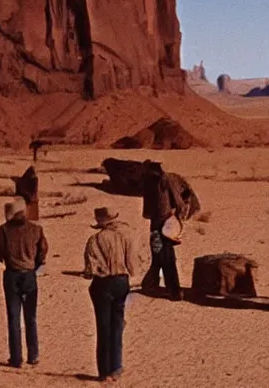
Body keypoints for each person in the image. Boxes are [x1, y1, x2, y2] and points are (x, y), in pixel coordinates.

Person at [0, 196, 49, 368]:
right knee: (31, 317)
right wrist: (34, 264)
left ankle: (16, 358)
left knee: (13, 317)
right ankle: (34, 355)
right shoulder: (36, 229)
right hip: (29, 274)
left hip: (11, 275)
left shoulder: (3, 230)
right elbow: (43, 252)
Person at [84, 207, 137, 382]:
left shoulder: (94, 240)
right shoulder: (124, 237)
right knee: (117, 324)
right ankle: (116, 366)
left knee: (103, 327)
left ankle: (104, 371)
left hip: (102, 284)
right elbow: (132, 265)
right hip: (122, 281)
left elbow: (90, 269)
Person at [140, 160, 185, 301]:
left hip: (159, 226)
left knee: (163, 256)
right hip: (167, 225)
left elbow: (147, 212)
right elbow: (180, 202)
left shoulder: (154, 184)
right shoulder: (168, 181)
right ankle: (153, 284)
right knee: (164, 256)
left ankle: (173, 291)